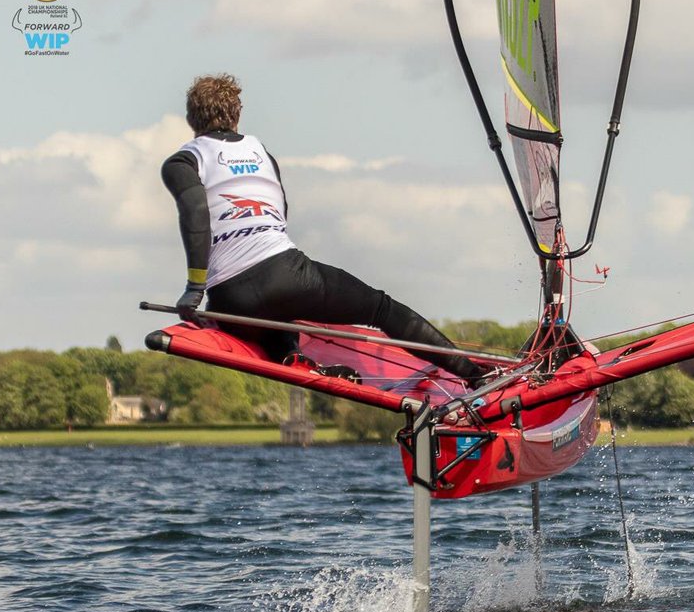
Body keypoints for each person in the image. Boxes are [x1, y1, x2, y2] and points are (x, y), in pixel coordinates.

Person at [160, 73, 484, 385]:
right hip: (285, 274)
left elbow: (196, 213)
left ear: (192, 119)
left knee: (273, 316)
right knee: (379, 308)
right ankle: (473, 374)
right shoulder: (261, 153)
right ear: (237, 115)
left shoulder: (183, 161)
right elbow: (277, 212)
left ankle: (292, 357)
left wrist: (195, 289)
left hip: (229, 301)